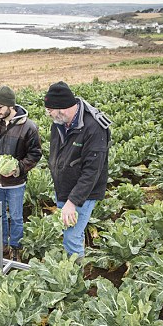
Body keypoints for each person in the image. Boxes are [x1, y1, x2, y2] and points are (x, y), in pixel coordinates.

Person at [43, 81, 111, 264]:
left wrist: (72, 202)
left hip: (83, 192)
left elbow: (92, 171)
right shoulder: (58, 123)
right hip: (64, 187)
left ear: (62, 109)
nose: (48, 114)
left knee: (72, 236)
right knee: (68, 231)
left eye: (49, 110)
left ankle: (75, 281)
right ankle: (71, 265)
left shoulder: (94, 128)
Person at [0, 85, 42, 261]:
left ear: (10, 106)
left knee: (17, 216)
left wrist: (18, 168)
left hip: (15, 182)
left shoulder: (28, 127)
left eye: (0, 107)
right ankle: (2, 244)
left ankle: (15, 247)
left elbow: (35, 154)